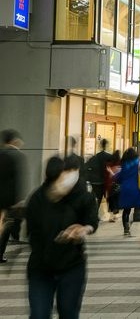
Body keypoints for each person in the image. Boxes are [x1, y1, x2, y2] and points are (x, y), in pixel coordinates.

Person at [26, 155, 98, 319]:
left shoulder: (81, 196)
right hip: (41, 269)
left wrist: (82, 230)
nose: (63, 186)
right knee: (39, 315)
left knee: (68, 313)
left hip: (72, 266)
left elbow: (91, 220)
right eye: (58, 182)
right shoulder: (37, 199)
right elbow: (32, 234)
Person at [0, 129, 26, 264]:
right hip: (7, 200)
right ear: (13, 141)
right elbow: (17, 180)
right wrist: (18, 200)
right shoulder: (16, 155)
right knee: (5, 227)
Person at [114, 147, 140, 237]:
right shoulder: (138, 162)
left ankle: (126, 228)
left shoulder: (124, 164)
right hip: (135, 189)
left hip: (125, 189)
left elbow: (119, 177)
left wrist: (114, 176)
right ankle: (139, 210)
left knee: (126, 210)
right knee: (133, 206)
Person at [84, 138, 113, 211]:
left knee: (97, 199)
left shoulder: (95, 157)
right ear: (106, 145)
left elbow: (87, 166)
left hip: (96, 181)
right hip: (106, 182)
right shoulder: (109, 157)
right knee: (109, 199)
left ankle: (95, 214)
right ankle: (111, 214)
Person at [105, 149, 121, 223]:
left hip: (109, 184)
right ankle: (115, 215)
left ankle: (111, 216)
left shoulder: (109, 164)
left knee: (110, 200)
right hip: (117, 184)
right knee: (116, 200)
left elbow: (106, 175)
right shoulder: (120, 164)